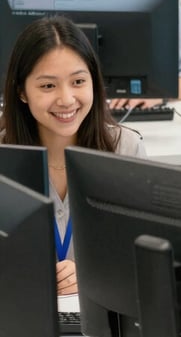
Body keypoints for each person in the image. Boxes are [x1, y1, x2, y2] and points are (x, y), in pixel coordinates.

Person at [0, 17, 147, 295]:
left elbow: (143, 250)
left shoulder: (125, 148)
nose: (67, 99)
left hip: (101, 311)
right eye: (47, 86)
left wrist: (95, 271)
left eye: (78, 81)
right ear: (21, 92)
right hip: (24, 311)